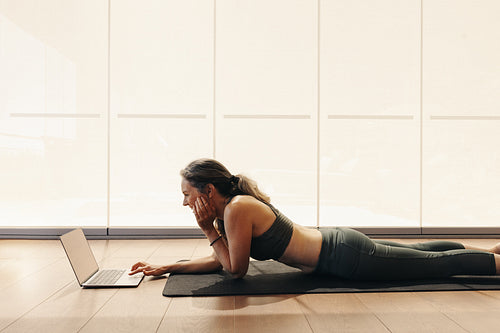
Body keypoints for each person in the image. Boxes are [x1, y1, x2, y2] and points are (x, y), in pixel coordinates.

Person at [130, 158, 500, 280]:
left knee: (430, 266)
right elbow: (221, 257)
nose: (184, 204)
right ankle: (489, 249)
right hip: (338, 244)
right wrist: (169, 267)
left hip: (345, 258)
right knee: (422, 252)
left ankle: (495, 263)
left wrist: (204, 228)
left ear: (208, 191)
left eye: (187, 195)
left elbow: (235, 269)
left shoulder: (236, 210)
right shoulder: (233, 209)